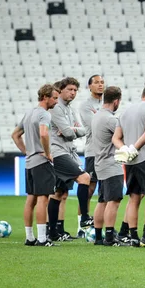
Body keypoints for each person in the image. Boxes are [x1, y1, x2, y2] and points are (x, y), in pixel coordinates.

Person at [112, 85, 145, 248]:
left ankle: (133, 237)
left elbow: (116, 138)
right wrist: (135, 148)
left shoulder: (126, 111)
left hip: (130, 161)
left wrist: (125, 149)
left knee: (134, 197)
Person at [11, 84, 59, 246]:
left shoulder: (29, 113)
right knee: (43, 199)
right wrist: (47, 153)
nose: (56, 101)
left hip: (30, 162)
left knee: (30, 199)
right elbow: (44, 133)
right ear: (45, 97)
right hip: (41, 162)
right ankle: (42, 238)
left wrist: (26, 151)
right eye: (54, 98)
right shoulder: (44, 114)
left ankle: (30, 237)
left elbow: (15, 135)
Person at [47, 77, 93, 242]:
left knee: (59, 193)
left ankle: (53, 232)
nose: (73, 93)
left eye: (75, 90)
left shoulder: (69, 109)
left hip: (67, 151)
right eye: (70, 90)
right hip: (58, 153)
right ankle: (86, 217)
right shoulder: (56, 108)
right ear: (61, 90)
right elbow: (69, 133)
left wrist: (70, 129)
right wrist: (71, 130)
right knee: (85, 177)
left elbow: (82, 130)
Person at [90, 86, 128, 246]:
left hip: (99, 162)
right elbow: (125, 136)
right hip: (111, 164)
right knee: (114, 201)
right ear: (116, 101)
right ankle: (110, 237)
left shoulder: (97, 116)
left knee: (102, 201)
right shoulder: (111, 119)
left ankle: (99, 237)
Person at [77, 74, 104, 238]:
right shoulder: (85, 105)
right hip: (93, 151)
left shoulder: (106, 102)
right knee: (90, 189)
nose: (100, 85)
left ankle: (101, 224)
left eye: (102, 82)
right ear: (89, 86)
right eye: (96, 82)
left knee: (105, 191)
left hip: (108, 152)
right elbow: (95, 126)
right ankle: (82, 224)